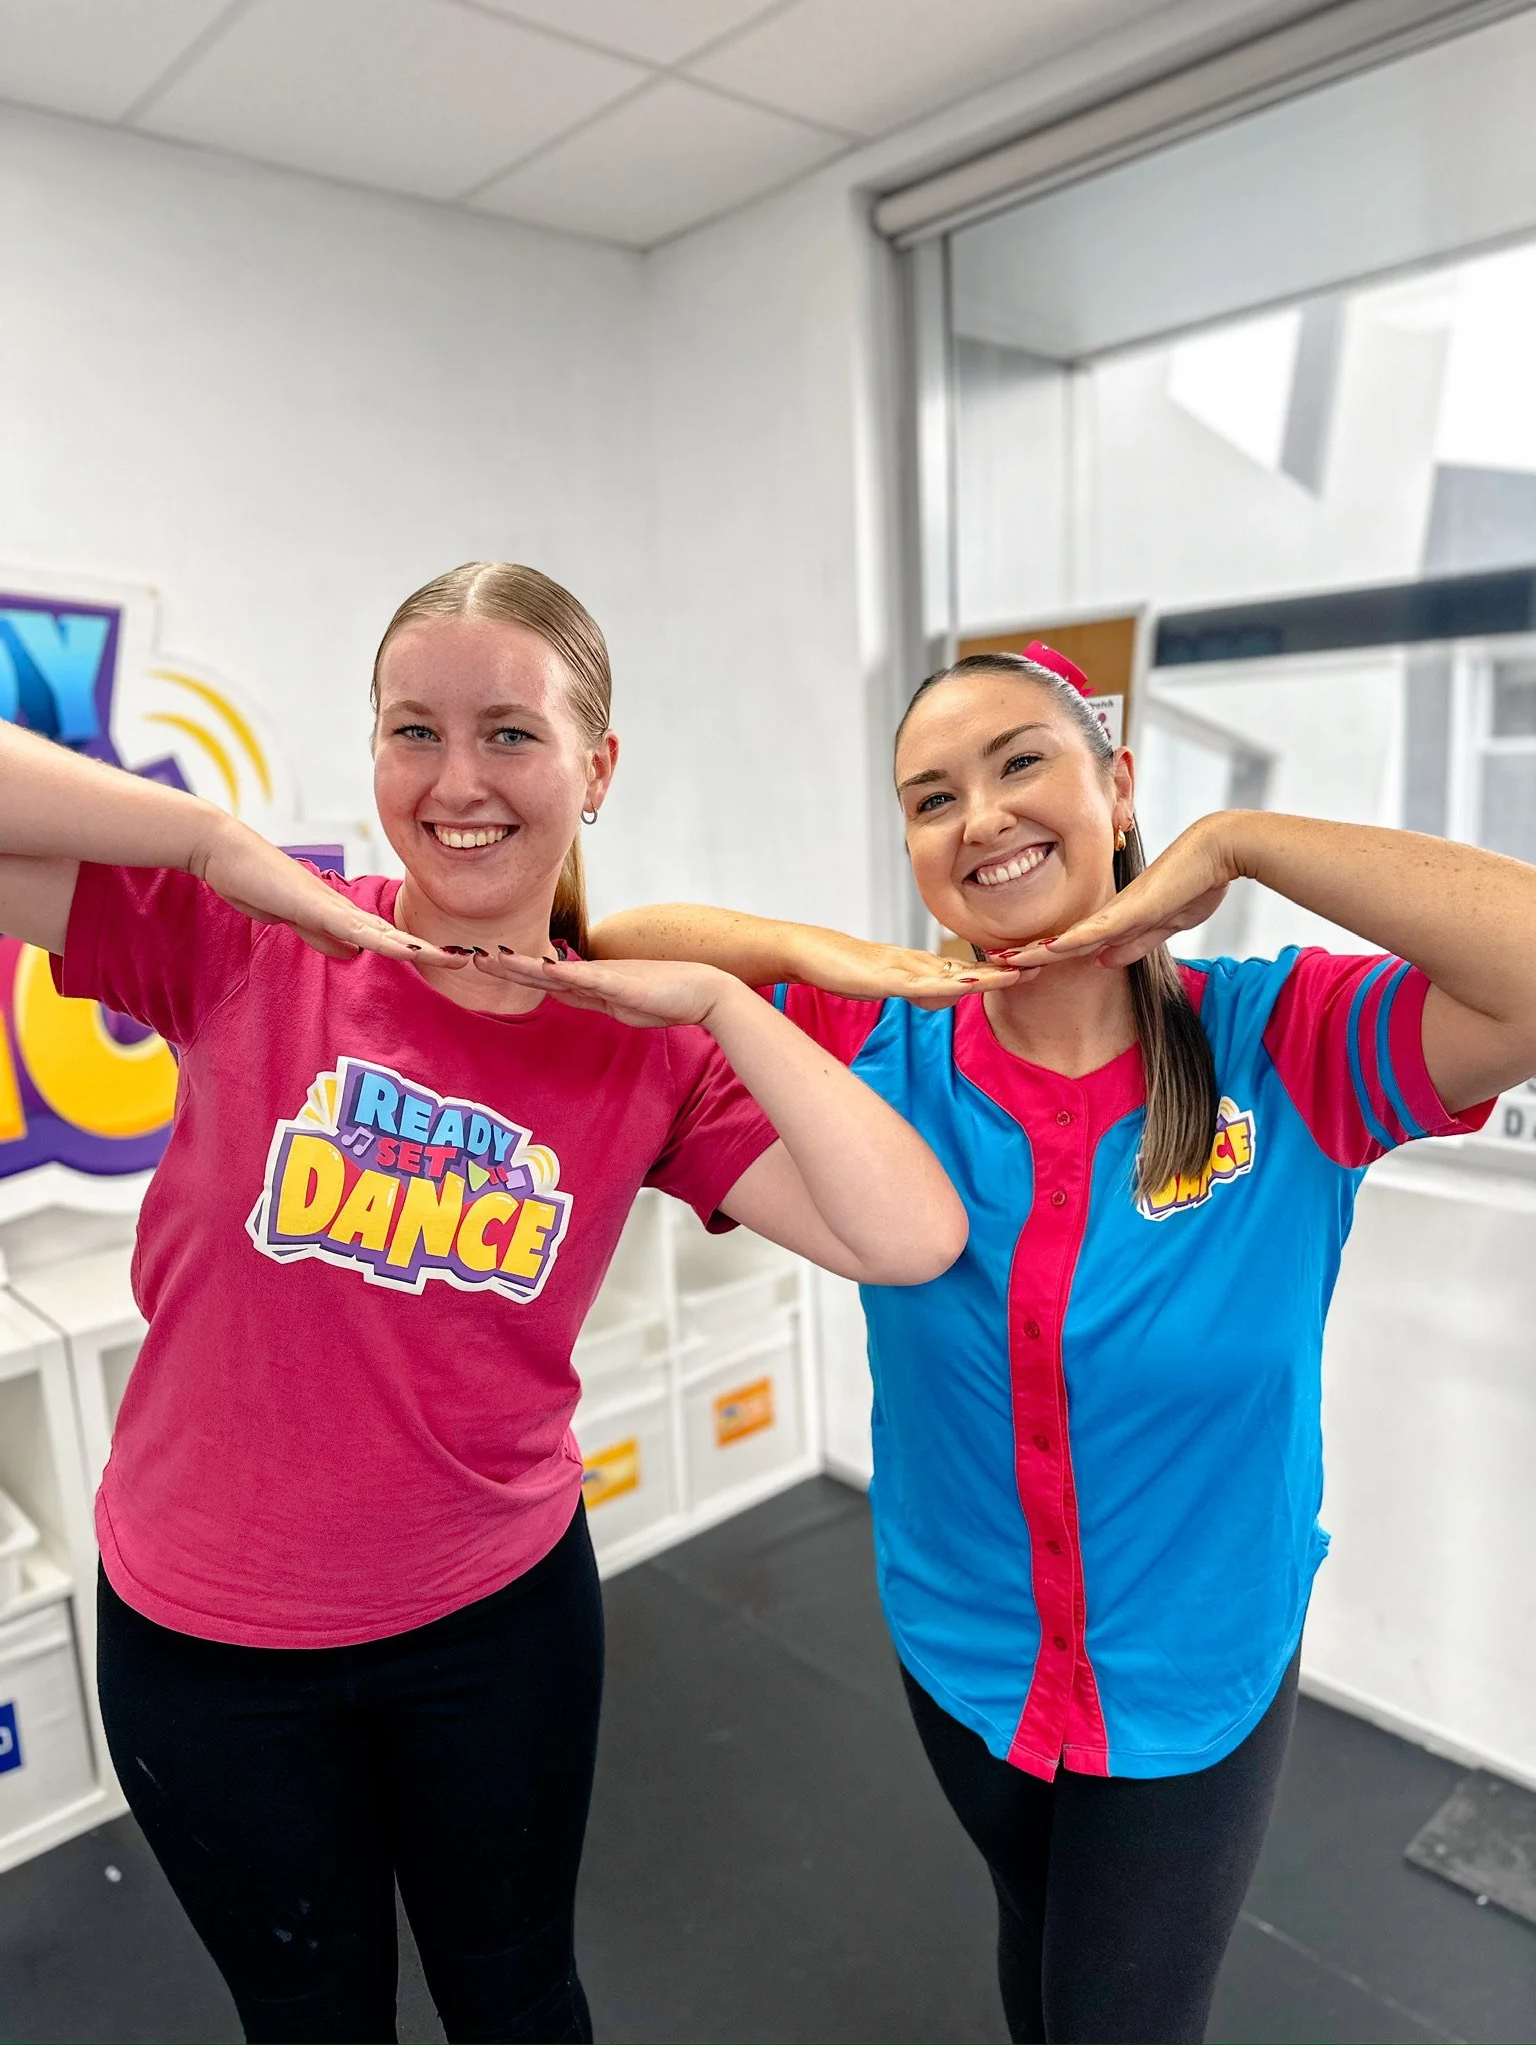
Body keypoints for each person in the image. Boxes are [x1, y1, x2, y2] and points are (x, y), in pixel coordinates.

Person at [0, 562, 968, 2045]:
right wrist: (205, 838)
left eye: (512, 733)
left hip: (493, 1625)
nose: (458, 781)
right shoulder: (257, 936)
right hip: (205, 1643)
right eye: (412, 732)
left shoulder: (642, 1044)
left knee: (517, 1999)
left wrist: (722, 998)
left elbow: (905, 1239)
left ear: (599, 768)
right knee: (310, 2018)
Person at [579, 645, 1536, 2044]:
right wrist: (809, 955)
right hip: (963, 1652)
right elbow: (598, 959)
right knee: (1036, 1954)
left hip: (1189, 1677)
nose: (979, 817)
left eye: (1022, 761)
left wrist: (1239, 843)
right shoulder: (870, 1051)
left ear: (1118, 786)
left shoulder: (1285, 1043)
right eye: (929, 797)